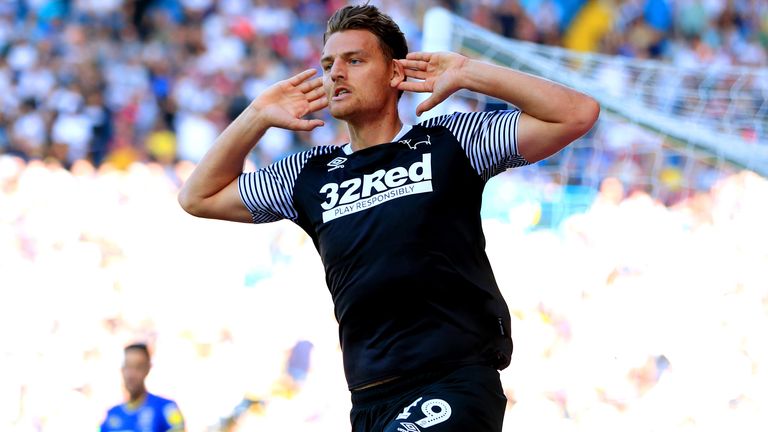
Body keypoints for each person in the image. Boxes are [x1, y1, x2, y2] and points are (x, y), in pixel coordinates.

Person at [178, 3, 599, 431]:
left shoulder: (453, 140)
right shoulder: (307, 174)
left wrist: (470, 72)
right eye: (328, 64)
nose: (336, 73)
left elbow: (577, 113)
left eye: (354, 60)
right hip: (369, 401)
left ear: (395, 73)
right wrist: (256, 116)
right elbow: (198, 196)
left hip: (454, 382)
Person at [100, 343, 185, 432]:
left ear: (148, 369)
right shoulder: (111, 415)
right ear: (122, 369)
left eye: (138, 367)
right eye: (128, 366)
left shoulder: (167, 408)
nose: (131, 374)